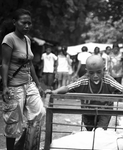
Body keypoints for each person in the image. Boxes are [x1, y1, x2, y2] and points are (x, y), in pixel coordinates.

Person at [46, 55, 123, 131]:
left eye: (99, 72)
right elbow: (67, 87)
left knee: (100, 133)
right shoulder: (83, 80)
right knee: (90, 134)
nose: (95, 76)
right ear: (87, 72)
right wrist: (54, 91)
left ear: (104, 69)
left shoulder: (107, 80)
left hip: (105, 111)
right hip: (88, 111)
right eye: (91, 73)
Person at [1, 9, 46, 150]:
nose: (27, 26)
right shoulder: (9, 39)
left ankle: (22, 145)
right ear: (15, 22)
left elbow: (29, 63)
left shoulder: (27, 39)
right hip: (14, 86)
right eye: (24, 23)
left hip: (28, 84)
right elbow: (5, 63)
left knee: (40, 112)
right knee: (13, 122)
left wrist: (38, 84)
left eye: (29, 23)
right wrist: (5, 87)